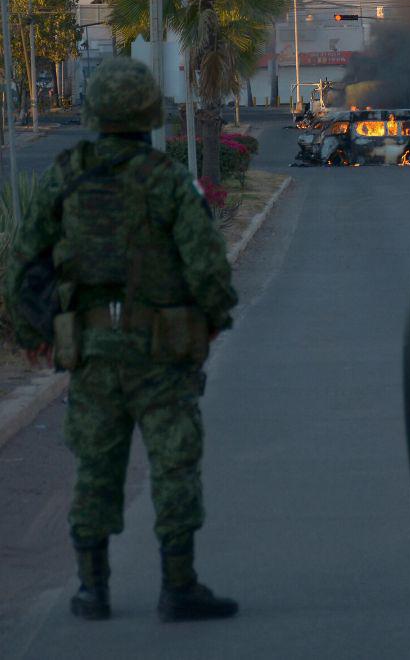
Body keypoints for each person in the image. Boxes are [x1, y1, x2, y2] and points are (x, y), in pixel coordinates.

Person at [5, 59, 239, 623]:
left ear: (94, 114)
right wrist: (212, 320)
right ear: (147, 113)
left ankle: (92, 591)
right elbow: (206, 264)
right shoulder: (166, 178)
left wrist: (36, 333)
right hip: (161, 354)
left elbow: (23, 262)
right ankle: (178, 588)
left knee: (95, 468)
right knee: (174, 465)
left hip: (91, 353)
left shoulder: (66, 174)